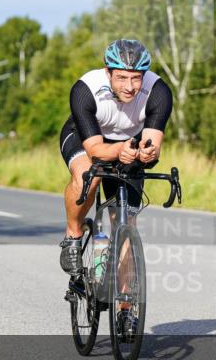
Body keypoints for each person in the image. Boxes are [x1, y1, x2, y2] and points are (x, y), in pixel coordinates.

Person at [58, 39, 173, 287]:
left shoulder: (159, 91)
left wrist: (146, 154)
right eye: (121, 78)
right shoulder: (86, 88)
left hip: (128, 143)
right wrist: (119, 149)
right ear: (107, 71)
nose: (130, 87)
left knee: (126, 225)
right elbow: (96, 151)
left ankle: (125, 310)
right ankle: (73, 234)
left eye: (136, 78)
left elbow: (152, 144)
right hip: (86, 137)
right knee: (89, 173)